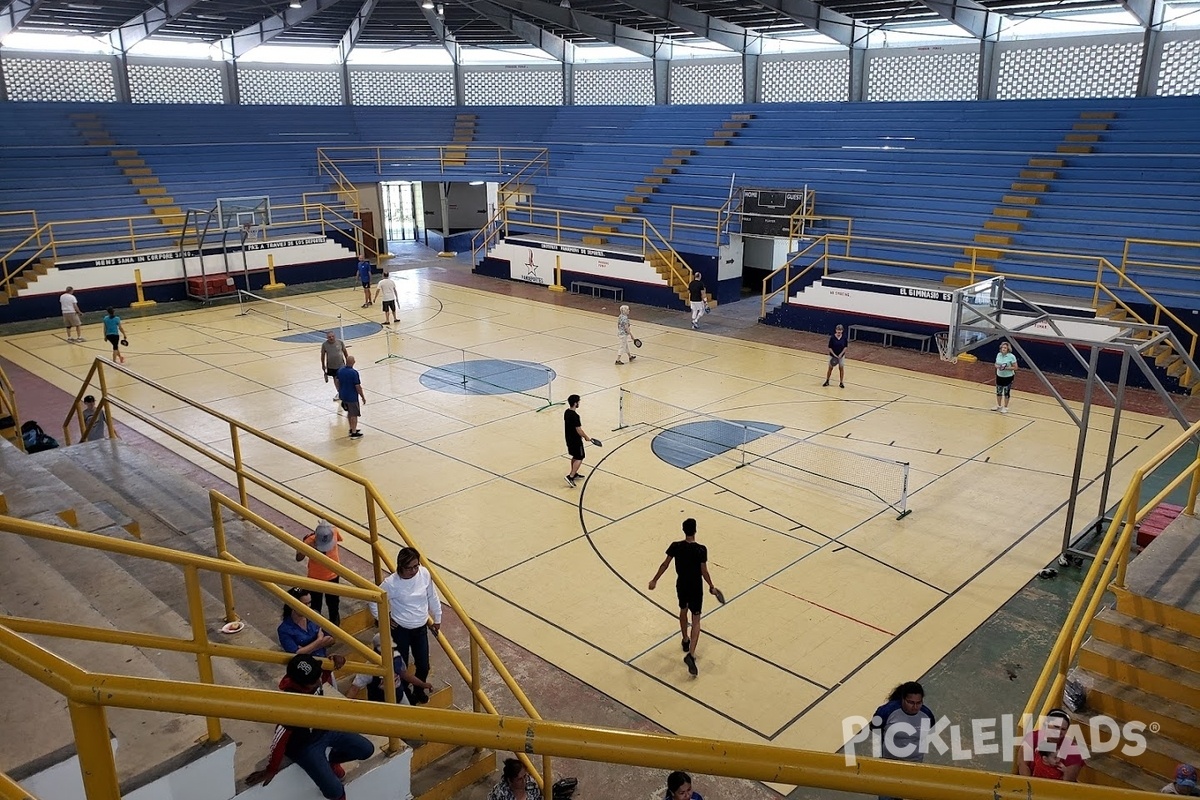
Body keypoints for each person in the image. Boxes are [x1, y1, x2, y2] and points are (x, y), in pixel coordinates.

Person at [245, 654, 373, 800]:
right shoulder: (290, 705)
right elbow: (279, 739)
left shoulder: (312, 680)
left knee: (366, 749)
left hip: (324, 728)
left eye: (318, 675)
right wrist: (271, 769)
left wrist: (336, 660)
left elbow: (322, 676)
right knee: (334, 790)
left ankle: (332, 761)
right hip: (305, 745)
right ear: (302, 685)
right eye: (314, 680)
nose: (319, 682)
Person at [368, 547, 442, 705]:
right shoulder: (391, 583)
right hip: (400, 630)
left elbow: (432, 595)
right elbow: (373, 600)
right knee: (401, 666)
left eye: (416, 566)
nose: (414, 570)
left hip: (420, 629)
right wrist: (384, 619)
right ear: (400, 566)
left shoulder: (424, 574)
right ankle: (406, 693)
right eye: (410, 568)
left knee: (423, 665)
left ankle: (418, 690)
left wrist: (437, 617)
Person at [648, 518, 719, 677]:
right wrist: (711, 586)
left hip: (682, 585)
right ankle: (691, 654)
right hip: (696, 588)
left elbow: (664, 564)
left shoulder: (676, 546)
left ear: (683, 529)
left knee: (683, 610)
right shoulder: (701, 549)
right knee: (696, 619)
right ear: (695, 530)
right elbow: (704, 571)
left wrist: (655, 580)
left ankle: (685, 639)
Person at [869, 681, 936, 800]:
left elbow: (929, 730)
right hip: (889, 765)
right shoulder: (887, 712)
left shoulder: (926, 715)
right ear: (902, 699)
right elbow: (875, 728)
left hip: (914, 766)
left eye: (918, 703)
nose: (915, 707)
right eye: (910, 702)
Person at [345, 633, 433, 704]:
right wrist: (342, 706)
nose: (390, 651)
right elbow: (354, 688)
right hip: (381, 705)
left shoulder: (397, 658)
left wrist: (422, 684)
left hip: (400, 697)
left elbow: (405, 674)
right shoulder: (369, 668)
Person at [1016, 708, 1084, 783]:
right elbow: (1022, 764)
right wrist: (1030, 787)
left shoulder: (1073, 750)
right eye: (1056, 727)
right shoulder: (1033, 737)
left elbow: (1068, 781)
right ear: (1046, 725)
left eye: (1063, 729)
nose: (1059, 732)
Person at [296, 521, 343, 626]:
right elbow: (298, 558)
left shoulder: (334, 531)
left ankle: (335, 628)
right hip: (315, 578)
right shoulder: (308, 540)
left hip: (333, 575)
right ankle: (315, 628)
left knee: (334, 604)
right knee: (315, 605)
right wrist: (306, 549)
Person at [277, 587, 335, 658]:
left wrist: (306, 649)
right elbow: (296, 655)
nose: (307, 607)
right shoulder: (284, 629)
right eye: (304, 604)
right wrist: (319, 641)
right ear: (292, 605)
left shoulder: (315, 615)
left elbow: (331, 639)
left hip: (323, 661)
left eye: (309, 603)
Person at [563, 394, 595, 488]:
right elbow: (579, 430)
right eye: (578, 402)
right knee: (580, 457)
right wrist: (586, 437)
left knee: (575, 456)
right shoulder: (575, 416)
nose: (579, 403)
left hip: (568, 439)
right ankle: (571, 476)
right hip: (576, 440)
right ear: (575, 403)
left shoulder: (567, 412)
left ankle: (574, 472)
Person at [336, 355, 365, 439]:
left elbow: (337, 381)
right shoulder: (353, 373)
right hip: (352, 397)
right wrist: (362, 396)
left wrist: (340, 391)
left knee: (349, 413)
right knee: (354, 415)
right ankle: (354, 433)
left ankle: (352, 428)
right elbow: (357, 386)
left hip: (343, 395)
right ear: (353, 362)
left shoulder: (340, 370)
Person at [321, 330, 349, 404]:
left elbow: (345, 353)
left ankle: (344, 392)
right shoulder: (324, 345)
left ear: (335, 336)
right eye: (329, 337)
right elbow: (323, 356)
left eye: (332, 336)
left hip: (341, 365)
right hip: (331, 366)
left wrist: (348, 362)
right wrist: (323, 365)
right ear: (327, 337)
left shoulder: (340, 343)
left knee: (342, 379)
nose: (331, 338)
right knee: (335, 379)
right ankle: (339, 393)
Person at [994, 340, 1018, 414]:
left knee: (1006, 392)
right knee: (999, 391)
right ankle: (999, 405)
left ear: (1008, 349)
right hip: (999, 376)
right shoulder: (998, 355)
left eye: (1005, 348)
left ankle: (1005, 407)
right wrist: (997, 366)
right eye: (1002, 347)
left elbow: (1015, 367)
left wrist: (1006, 368)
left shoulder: (1011, 357)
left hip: (1008, 377)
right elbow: (995, 364)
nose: (1003, 349)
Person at [823, 324, 847, 388]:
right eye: (838, 330)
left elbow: (845, 347)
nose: (839, 332)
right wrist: (834, 355)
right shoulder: (832, 338)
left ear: (842, 331)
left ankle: (841, 382)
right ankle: (827, 381)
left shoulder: (844, 338)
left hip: (841, 356)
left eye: (840, 330)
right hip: (833, 356)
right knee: (830, 368)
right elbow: (830, 347)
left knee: (841, 368)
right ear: (836, 330)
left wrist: (841, 354)